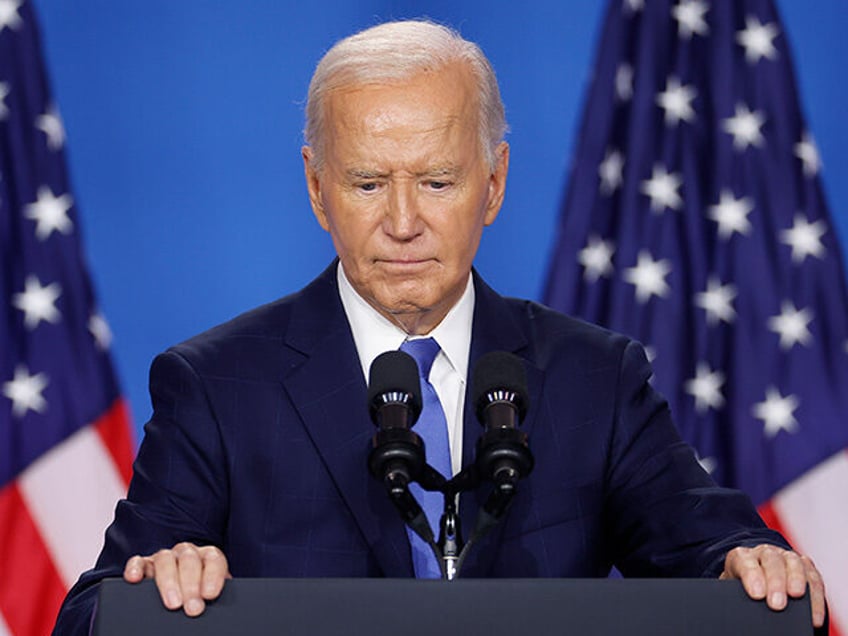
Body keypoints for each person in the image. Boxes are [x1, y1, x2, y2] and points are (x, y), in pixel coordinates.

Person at [53, 19, 826, 633]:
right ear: (317, 190)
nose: (402, 222)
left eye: (436, 181)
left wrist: (750, 563)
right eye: (365, 183)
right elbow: (89, 614)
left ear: (493, 185)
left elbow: (718, 551)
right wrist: (155, 585)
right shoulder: (219, 386)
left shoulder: (595, 377)